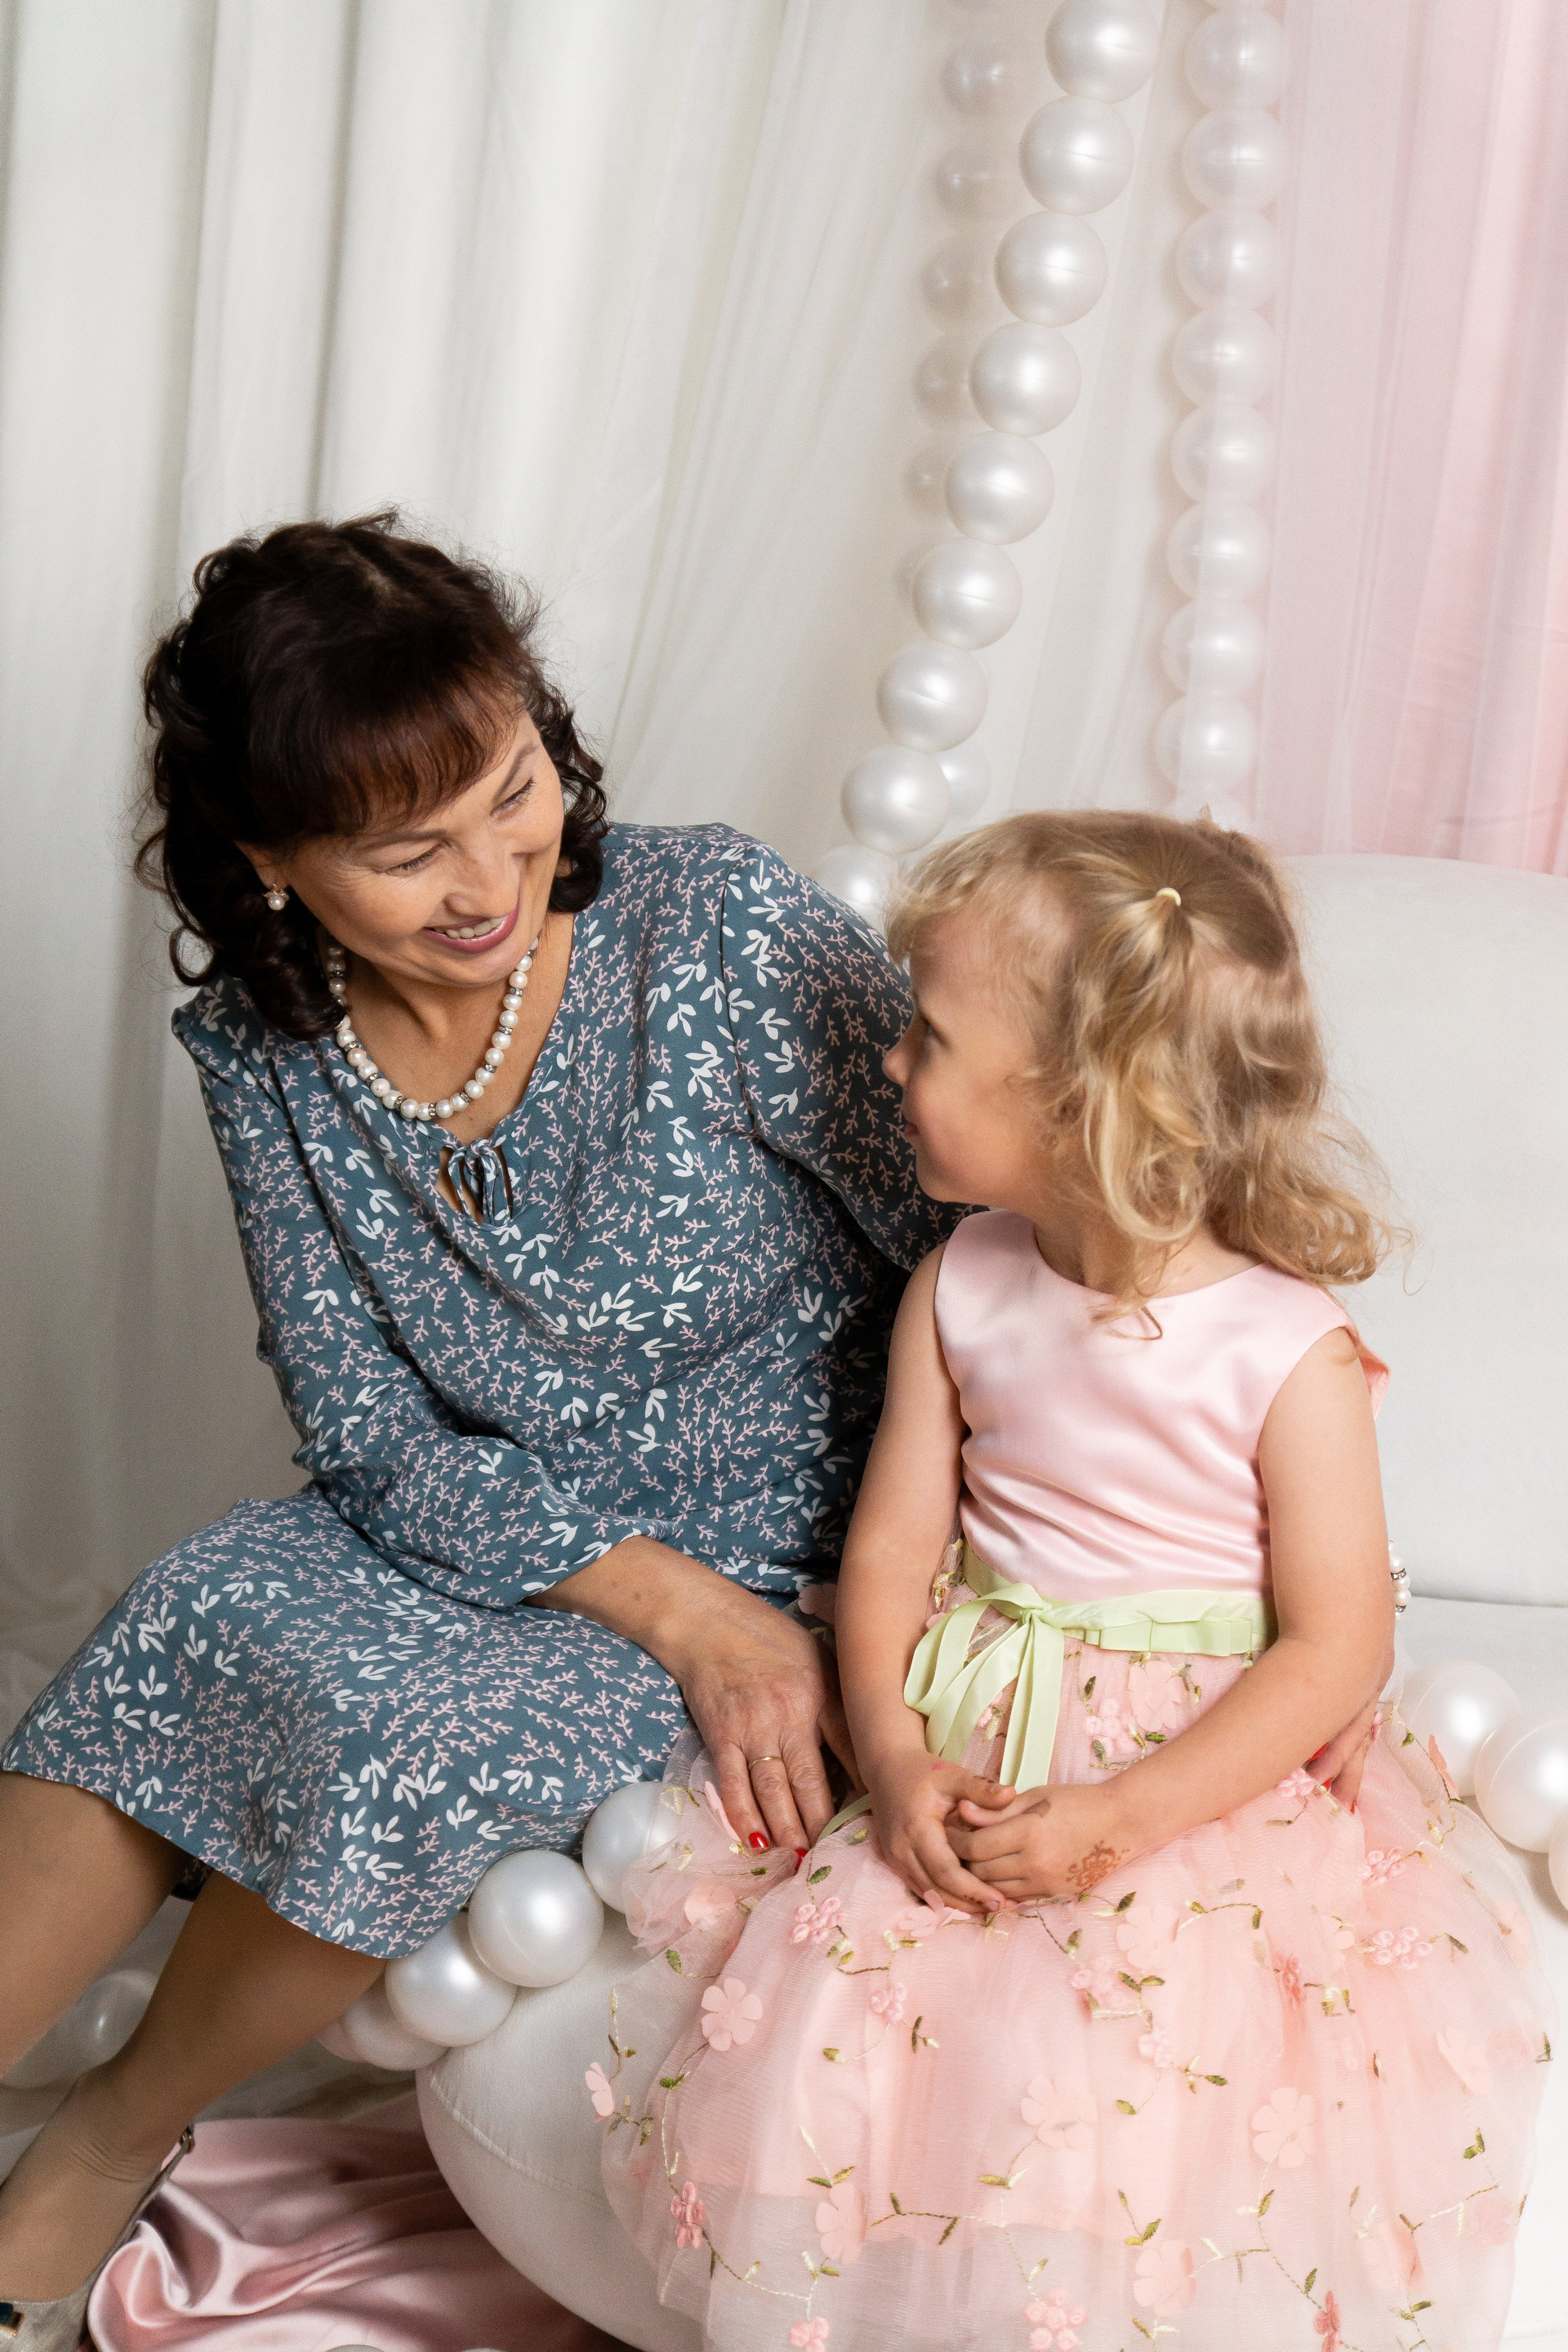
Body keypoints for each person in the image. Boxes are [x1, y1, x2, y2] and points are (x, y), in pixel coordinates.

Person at [0, 512, 957, 2332]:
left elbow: (979, 1263)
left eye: (513, 791)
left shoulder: (716, 927)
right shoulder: (266, 1053)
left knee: (404, 1745)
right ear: (268, 862)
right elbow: (364, 1428)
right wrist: (672, 1606)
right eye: (401, 850)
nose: (484, 877)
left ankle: (104, 2141)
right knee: (193, 1611)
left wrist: (865, 1600)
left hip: (800, 1541)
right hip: (469, 1518)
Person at [595, 812, 1550, 2352]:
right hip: (977, 1718)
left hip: (1187, 1772)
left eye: (929, 1033)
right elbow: (891, 1552)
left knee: (1139, 2068)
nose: (890, 1058)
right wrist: (896, 1756)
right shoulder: (961, 1281)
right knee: (893, 2025)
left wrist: (1121, 1817)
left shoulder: (1282, 1347)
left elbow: (1334, 1646)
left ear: (1077, 1096)